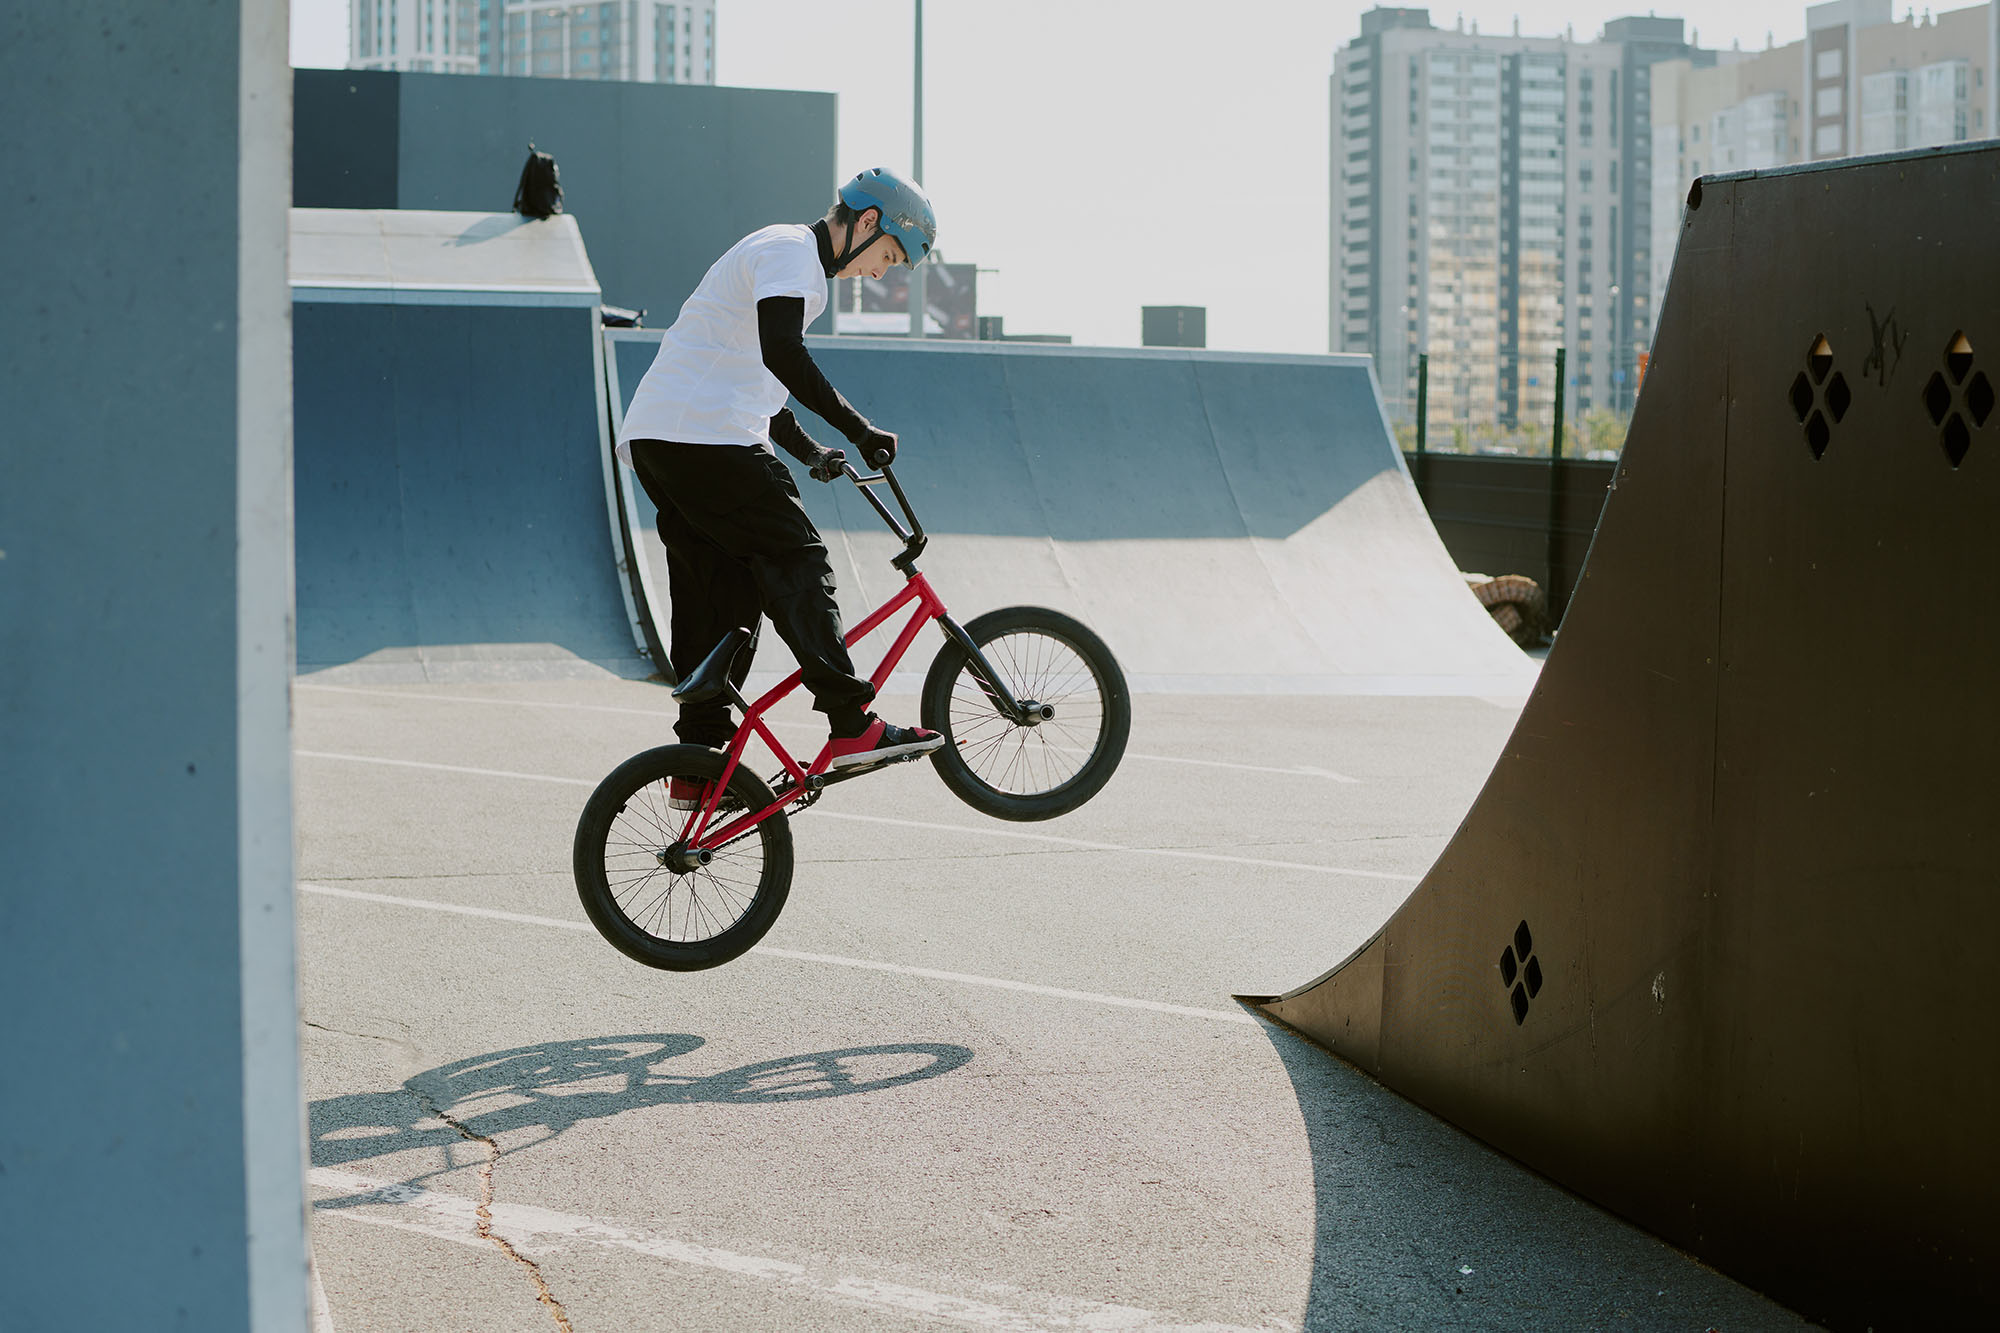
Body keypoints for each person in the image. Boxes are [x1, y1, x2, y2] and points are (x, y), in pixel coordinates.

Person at [615, 167, 946, 806]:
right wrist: (858, 429)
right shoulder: (793, 255)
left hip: (665, 441)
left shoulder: (779, 261)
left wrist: (812, 452)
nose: (879, 273)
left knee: (722, 598)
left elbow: (760, 385)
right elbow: (783, 355)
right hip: (704, 439)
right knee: (797, 557)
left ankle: (698, 761)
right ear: (868, 222)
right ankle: (852, 724)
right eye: (887, 257)